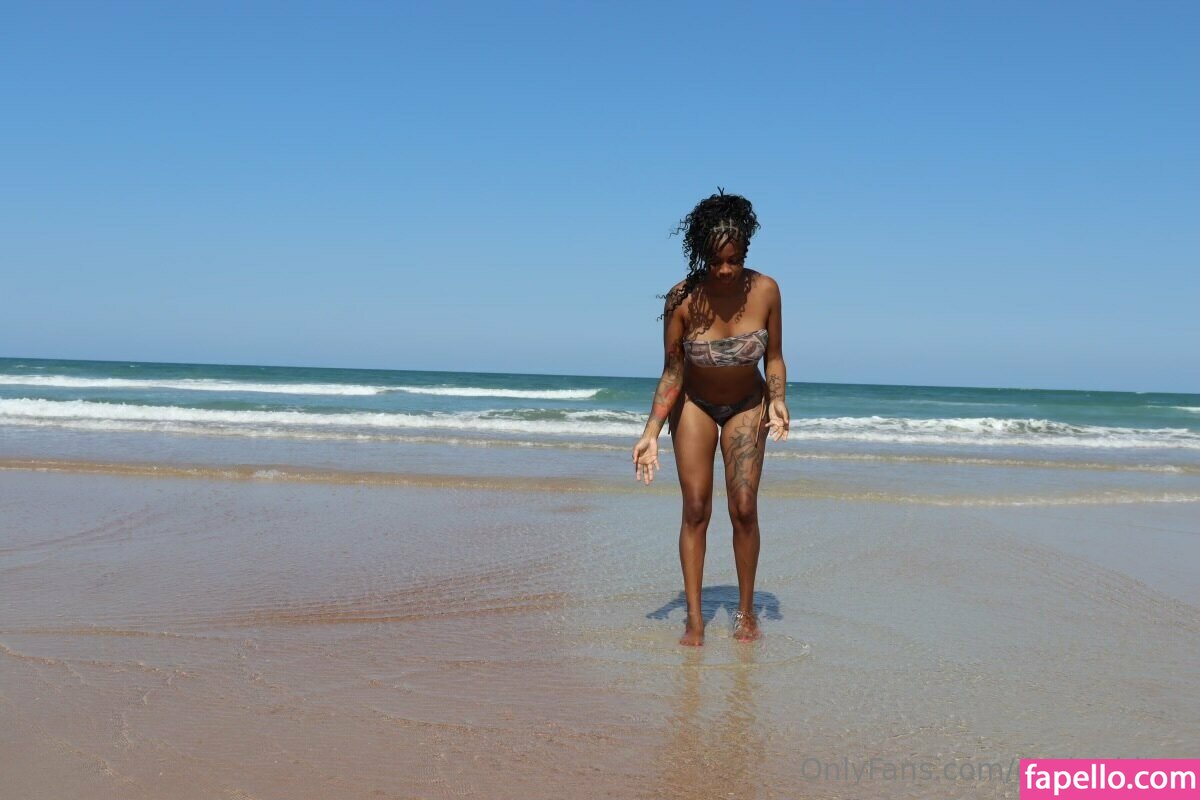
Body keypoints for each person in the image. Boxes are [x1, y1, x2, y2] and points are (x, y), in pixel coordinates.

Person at [632, 190, 790, 646]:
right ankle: (694, 619)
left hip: (748, 404)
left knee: (744, 508)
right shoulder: (682, 299)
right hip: (695, 405)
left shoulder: (766, 291)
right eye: (716, 261)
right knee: (697, 509)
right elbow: (672, 371)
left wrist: (778, 400)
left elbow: (774, 357)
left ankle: (745, 614)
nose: (724, 270)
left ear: (745, 252)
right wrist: (650, 432)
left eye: (734, 260)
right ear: (701, 253)